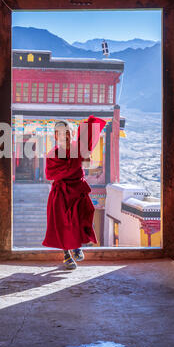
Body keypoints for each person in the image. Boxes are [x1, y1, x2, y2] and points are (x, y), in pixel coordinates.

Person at [42, 115, 106, 270]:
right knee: (63, 224)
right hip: (61, 193)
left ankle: (76, 247)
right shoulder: (53, 154)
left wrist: (83, 157)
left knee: (81, 218)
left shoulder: (79, 148)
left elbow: (86, 163)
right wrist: (72, 165)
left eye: (68, 132)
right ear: (56, 135)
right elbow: (50, 175)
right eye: (61, 133)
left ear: (71, 133)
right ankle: (66, 255)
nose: (65, 135)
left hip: (78, 190)